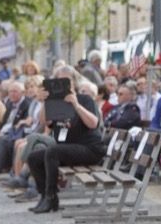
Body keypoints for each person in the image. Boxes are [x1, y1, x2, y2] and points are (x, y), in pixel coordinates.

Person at [26, 66, 105, 214]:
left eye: (66, 81)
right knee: (33, 158)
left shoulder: (85, 99)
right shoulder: (55, 103)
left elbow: (93, 123)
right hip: (68, 150)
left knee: (53, 151)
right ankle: (45, 196)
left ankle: (51, 196)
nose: (62, 85)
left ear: (74, 83)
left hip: (90, 149)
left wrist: (76, 104)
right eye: (58, 81)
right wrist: (44, 102)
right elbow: (45, 122)